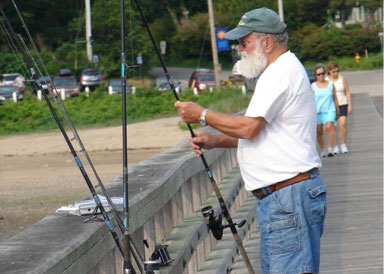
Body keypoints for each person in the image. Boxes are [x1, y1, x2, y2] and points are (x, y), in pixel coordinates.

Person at [175, 8, 326, 274]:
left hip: (288, 197)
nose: (240, 49)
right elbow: (265, 135)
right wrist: (214, 140)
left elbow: (249, 127)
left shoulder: (280, 72)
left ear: (267, 42)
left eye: (245, 42)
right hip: (283, 197)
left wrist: (202, 114)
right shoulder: (281, 70)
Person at [312, 64, 339, 157]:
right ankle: (323, 149)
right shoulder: (313, 86)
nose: (321, 76)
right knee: (319, 131)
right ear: (315, 76)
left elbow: (335, 97)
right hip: (318, 111)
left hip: (330, 109)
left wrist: (337, 109)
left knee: (329, 127)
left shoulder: (331, 84)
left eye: (322, 73)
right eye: (318, 74)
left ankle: (330, 148)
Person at [326, 62, 352, 154]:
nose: (336, 73)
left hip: (343, 103)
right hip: (331, 105)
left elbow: (347, 92)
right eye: (333, 72)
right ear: (329, 71)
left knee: (343, 123)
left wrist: (350, 105)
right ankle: (335, 145)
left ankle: (343, 144)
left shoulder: (342, 78)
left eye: (337, 71)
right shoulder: (326, 80)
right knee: (333, 126)